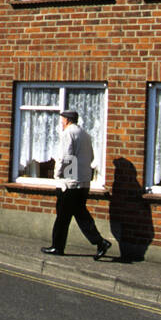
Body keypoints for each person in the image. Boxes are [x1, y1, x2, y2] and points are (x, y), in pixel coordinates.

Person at [41, 110, 112, 260]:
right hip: (84, 183)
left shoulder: (68, 133)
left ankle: (57, 247)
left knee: (62, 216)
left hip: (70, 184)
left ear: (67, 120)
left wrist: (60, 175)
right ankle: (100, 242)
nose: (61, 123)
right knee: (81, 215)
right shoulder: (85, 134)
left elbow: (67, 156)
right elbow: (91, 157)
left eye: (62, 120)